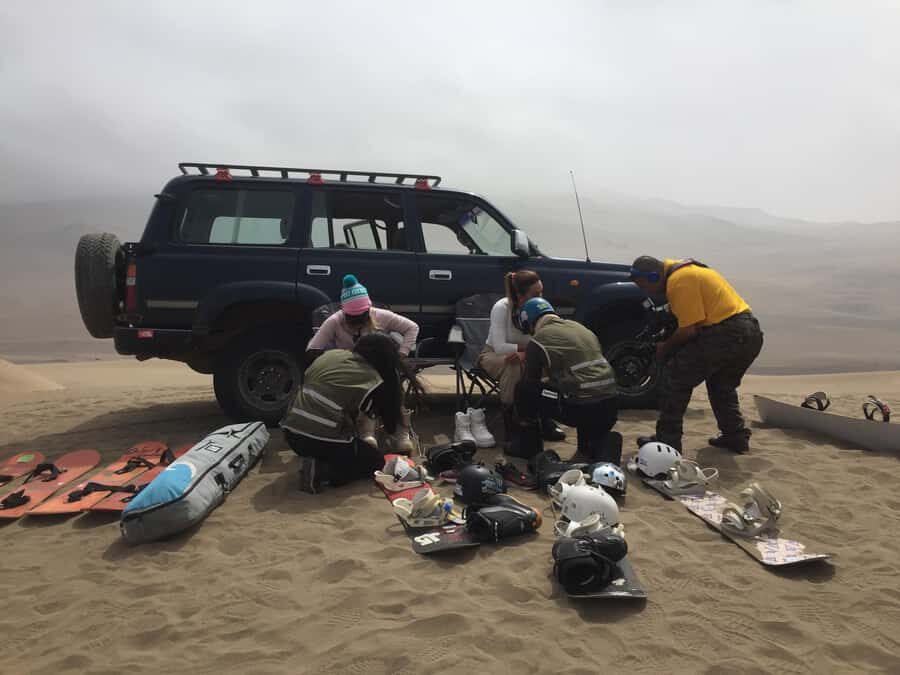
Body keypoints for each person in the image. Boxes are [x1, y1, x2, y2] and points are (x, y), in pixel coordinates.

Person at [629, 256, 764, 453]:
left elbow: (688, 331)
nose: (646, 291)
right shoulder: (691, 270)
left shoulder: (679, 281)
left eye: (646, 286)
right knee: (721, 385)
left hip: (726, 333)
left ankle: (667, 442)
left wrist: (665, 347)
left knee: (674, 378)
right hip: (750, 333)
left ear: (654, 276)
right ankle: (734, 436)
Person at [282, 333, 424, 493]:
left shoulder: (331, 355)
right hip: (317, 438)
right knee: (375, 462)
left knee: (349, 444)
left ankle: (320, 459)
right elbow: (378, 419)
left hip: (291, 433)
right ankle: (322, 472)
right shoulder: (371, 377)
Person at [306, 274, 420, 452]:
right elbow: (313, 349)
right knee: (362, 390)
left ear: (369, 309)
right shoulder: (335, 321)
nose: (359, 324)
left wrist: (402, 353)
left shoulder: (381, 316)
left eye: (363, 318)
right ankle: (366, 429)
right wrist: (338, 356)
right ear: (344, 313)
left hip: (380, 368)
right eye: (353, 320)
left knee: (392, 382)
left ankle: (399, 430)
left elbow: (412, 327)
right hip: (350, 369)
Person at [511, 298, 620, 464]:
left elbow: (532, 382)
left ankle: (528, 447)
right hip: (611, 405)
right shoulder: (581, 329)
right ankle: (588, 449)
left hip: (582, 410)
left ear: (529, 323)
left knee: (524, 389)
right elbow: (586, 373)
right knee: (582, 387)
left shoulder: (538, 340)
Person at [476, 270, 565, 448]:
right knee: (514, 365)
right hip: (494, 354)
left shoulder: (540, 307)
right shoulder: (502, 308)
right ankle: (512, 424)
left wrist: (529, 354)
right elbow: (500, 346)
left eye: (541, 293)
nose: (540, 297)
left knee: (551, 366)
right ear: (520, 295)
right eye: (535, 294)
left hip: (528, 355)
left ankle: (544, 417)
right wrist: (528, 352)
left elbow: (548, 339)